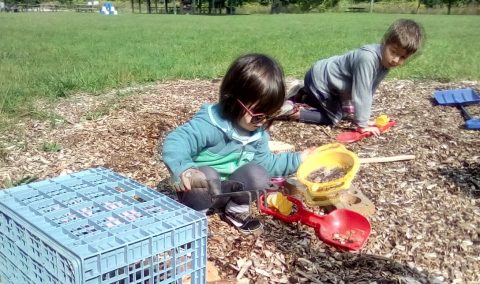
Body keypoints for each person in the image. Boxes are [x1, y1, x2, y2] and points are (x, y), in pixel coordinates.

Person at [162, 53, 313, 234]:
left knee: (259, 173)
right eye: (258, 116)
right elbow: (176, 141)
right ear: (232, 100)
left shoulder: (257, 133)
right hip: (199, 193)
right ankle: (194, 218)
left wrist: (299, 159)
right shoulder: (210, 124)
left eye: (270, 115)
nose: (263, 122)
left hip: (229, 192)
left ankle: (235, 210)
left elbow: (267, 164)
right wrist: (184, 169)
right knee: (205, 175)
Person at [279, 19, 424, 135]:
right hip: (320, 80)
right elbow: (362, 93)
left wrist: (364, 118)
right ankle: (293, 112)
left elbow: (369, 89)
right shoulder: (368, 58)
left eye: (403, 57)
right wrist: (362, 124)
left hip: (330, 83)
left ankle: (304, 96)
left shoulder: (385, 63)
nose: (396, 60)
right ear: (384, 42)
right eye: (394, 52)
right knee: (334, 117)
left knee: (345, 111)